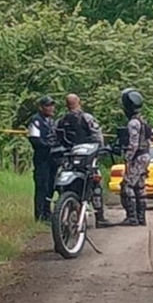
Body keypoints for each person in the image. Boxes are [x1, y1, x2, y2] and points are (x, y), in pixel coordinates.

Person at [55, 94, 112, 228]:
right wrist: (100, 151)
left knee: (65, 185)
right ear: (79, 102)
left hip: (69, 158)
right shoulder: (87, 118)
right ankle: (100, 217)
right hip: (87, 157)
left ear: (66, 104)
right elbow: (98, 136)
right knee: (96, 184)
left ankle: (66, 212)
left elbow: (56, 138)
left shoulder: (61, 120)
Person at [119, 88, 152, 226]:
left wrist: (127, 158)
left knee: (127, 185)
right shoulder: (143, 120)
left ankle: (132, 217)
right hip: (145, 156)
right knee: (139, 187)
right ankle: (141, 217)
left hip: (137, 157)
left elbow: (133, 143)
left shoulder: (133, 123)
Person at [27, 96, 57, 223]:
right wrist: (47, 145)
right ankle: (39, 215)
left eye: (52, 105)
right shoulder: (36, 120)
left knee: (51, 186)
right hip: (42, 159)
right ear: (41, 107)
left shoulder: (51, 121)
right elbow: (34, 139)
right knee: (42, 186)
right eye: (48, 105)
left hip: (53, 159)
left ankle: (47, 212)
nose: (51, 108)